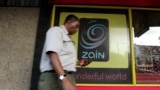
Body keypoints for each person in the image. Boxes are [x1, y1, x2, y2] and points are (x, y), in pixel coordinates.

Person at [38, 14, 90, 90]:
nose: (77, 29)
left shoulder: (67, 37)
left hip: (65, 77)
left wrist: (78, 62)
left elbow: (62, 58)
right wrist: (64, 79)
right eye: (77, 26)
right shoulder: (56, 31)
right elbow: (53, 55)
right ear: (70, 22)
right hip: (54, 78)